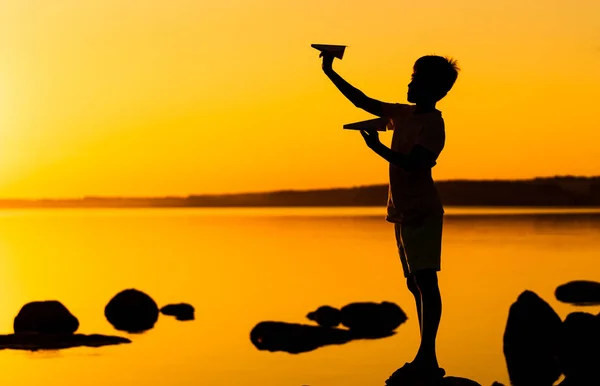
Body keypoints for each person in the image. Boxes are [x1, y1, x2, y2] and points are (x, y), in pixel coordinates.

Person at [320, 51, 459, 385]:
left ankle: (427, 355)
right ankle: (427, 355)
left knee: (427, 284)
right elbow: (361, 101)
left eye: (415, 80)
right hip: (400, 213)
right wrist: (328, 70)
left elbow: (417, 164)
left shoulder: (432, 123)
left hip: (422, 212)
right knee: (414, 284)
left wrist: (377, 148)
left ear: (433, 89)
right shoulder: (403, 114)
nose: (409, 85)